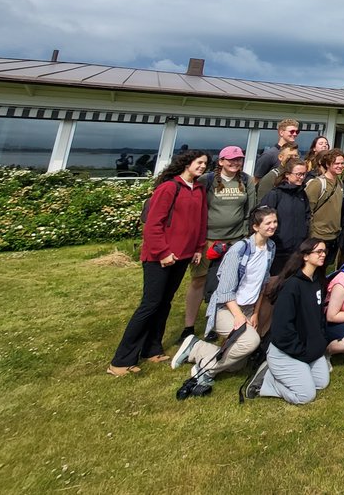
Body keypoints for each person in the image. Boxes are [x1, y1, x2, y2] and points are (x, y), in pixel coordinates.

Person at [108, 151, 209, 376]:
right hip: (160, 257)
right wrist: (162, 252)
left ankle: (152, 348)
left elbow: (200, 221)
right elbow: (153, 225)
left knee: (165, 302)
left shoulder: (199, 189)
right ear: (186, 163)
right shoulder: (169, 188)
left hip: (183, 256)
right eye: (199, 162)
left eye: (205, 164)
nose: (202, 167)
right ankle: (121, 360)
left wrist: (198, 247)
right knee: (150, 304)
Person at [171, 205, 276, 384]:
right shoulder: (239, 250)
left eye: (275, 222)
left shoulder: (271, 248)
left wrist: (256, 313)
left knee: (238, 364)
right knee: (250, 342)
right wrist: (238, 316)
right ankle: (205, 370)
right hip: (226, 308)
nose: (273, 226)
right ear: (255, 227)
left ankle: (197, 347)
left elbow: (262, 284)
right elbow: (225, 291)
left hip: (249, 308)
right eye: (268, 223)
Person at [178, 145, 256, 341]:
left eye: (238, 159)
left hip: (236, 240)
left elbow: (250, 210)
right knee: (200, 280)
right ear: (221, 161)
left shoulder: (246, 180)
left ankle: (219, 322)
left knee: (229, 283)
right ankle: (189, 326)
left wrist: (247, 238)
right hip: (209, 240)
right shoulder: (207, 180)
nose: (235, 163)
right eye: (230, 159)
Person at [244, 238, 330, 404]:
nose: (323, 255)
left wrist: (320, 341)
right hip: (287, 350)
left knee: (321, 382)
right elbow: (282, 329)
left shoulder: (317, 282)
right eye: (318, 251)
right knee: (305, 395)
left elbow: (318, 319)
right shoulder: (291, 286)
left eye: (324, 251)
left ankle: (289, 372)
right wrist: (300, 352)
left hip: (309, 347)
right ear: (305, 256)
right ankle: (266, 382)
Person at [261, 157, 311, 275]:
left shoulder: (302, 194)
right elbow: (262, 220)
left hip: (297, 250)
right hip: (278, 250)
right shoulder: (275, 194)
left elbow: (307, 217)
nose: (302, 177)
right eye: (298, 174)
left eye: (304, 174)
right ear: (287, 175)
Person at [305, 149, 344, 269]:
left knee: (326, 272)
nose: (340, 166)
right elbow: (307, 210)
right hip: (317, 235)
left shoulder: (340, 183)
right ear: (328, 164)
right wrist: (311, 233)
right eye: (336, 163)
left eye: (342, 163)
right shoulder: (318, 184)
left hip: (334, 237)